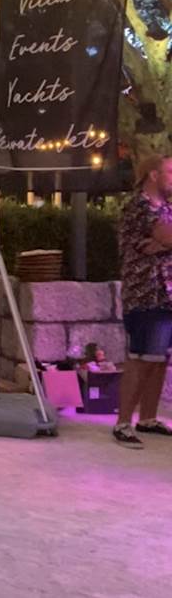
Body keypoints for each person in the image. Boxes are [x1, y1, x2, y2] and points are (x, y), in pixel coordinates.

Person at [112, 155, 172, 448]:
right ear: (153, 175)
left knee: (159, 360)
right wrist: (164, 241)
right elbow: (166, 235)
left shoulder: (167, 208)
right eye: (170, 171)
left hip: (167, 294)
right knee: (140, 359)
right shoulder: (139, 206)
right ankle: (123, 422)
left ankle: (147, 418)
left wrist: (161, 244)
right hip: (145, 292)